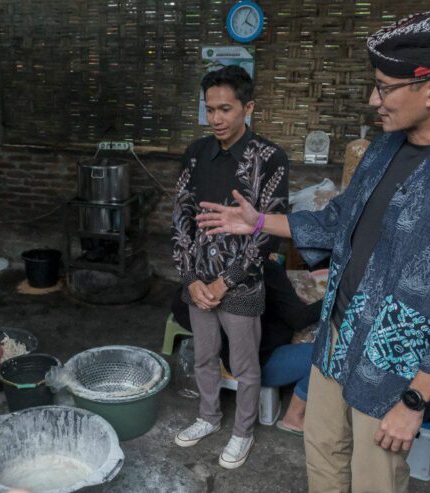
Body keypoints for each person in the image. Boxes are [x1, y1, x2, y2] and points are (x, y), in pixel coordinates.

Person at [197, 12, 430, 492]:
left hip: (397, 367)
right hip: (337, 337)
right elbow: (336, 222)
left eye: (384, 87)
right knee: (323, 458)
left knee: (375, 481)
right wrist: (260, 221)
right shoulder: (383, 149)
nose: (374, 100)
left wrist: (414, 403)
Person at [171, 65, 289, 469]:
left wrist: (225, 282)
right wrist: (191, 279)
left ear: (247, 107)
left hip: (240, 286)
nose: (216, 119)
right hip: (199, 284)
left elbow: (268, 233)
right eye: (210, 109)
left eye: (225, 109)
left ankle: (242, 432)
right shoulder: (196, 153)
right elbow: (181, 217)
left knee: (242, 365)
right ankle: (207, 417)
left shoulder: (270, 158)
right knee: (203, 357)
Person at [172, 258, 322, 434]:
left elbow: (179, 306)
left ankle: (216, 421)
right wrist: (334, 299)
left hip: (230, 360)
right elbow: (299, 319)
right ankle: (293, 417)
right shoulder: (267, 268)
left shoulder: (206, 265)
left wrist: (218, 332)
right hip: (263, 363)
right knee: (331, 354)